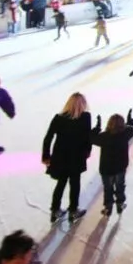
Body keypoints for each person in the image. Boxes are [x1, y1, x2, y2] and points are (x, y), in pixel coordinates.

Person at [42, 92, 92, 224]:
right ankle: (73, 211)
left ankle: (55, 209)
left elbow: (48, 138)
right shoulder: (86, 117)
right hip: (77, 156)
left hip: (60, 156)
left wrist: (46, 156)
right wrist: (88, 151)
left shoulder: (58, 118)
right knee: (75, 183)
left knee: (61, 183)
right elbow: (87, 137)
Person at [90, 109, 133, 216]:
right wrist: (130, 120)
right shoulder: (125, 134)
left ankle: (108, 207)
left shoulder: (104, 136)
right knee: (120, 185)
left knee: (108, 188)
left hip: (106, 169)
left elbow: (91, 138)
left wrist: (97, 127)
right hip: (120, 167)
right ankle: (120, 203)